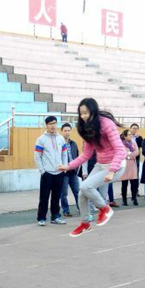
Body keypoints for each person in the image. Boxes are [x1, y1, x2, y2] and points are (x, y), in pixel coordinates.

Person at [58, 97, 127, 237]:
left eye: (86, 113)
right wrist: (68, 166)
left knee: (85, 186)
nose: (83, 116)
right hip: (100, 164)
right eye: (81, 113)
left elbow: (121, 150)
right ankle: (85, 223)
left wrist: (112, 171)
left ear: (93, 111)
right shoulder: (86, 127)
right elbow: (86, 154)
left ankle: (105, 209)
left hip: (117, 165)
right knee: (82, 193)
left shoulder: (106, 124)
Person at [34, 116, 67, 226]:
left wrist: (64, 167)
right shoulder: (41, 139)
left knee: (56, 197)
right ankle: (41, 218)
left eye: (54, 123)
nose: (53, 126)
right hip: (47, 173)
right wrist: (42, 171)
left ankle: (55, 217)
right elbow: (37, 156)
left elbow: (64, 154)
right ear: (46, 125)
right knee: (44, 197)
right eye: (50, 123)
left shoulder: (61, 138)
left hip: (59, 172)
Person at [60, 122, 80, 216]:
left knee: (77, 192)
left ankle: (80, 208)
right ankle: (66, 210)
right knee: (64, 193)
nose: (67, 132)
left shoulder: (73, 144)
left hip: (73, 172)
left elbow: (77, 156)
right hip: (64, 173)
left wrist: (77, 168)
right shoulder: (59, 143)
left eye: (68, 130)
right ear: (61, 131)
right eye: (65, 131)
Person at [119, 129, 139, 206]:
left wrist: (129, 156)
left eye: (131, 134)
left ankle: (134, 198)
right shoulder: (120, 143)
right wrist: (128, 155)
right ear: (125, 136)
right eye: (129, 134)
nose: (131, 136)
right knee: (124, 184)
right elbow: (121, 153)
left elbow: (137, 152)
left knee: (134, 183)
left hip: (132, 165)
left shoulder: (133, 142)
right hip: (124, 165)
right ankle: (124, 199)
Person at [129, 122, 143, 197]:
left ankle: (136, 191)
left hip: (135, 159)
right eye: (133, 128)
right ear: (130, 128)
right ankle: (124, 191)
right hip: (126, 159)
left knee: (135, 175)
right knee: (125, 175)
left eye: (136, 128)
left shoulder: (139, 138)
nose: (134, 130)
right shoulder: (125, 136)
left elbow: (142, 146)